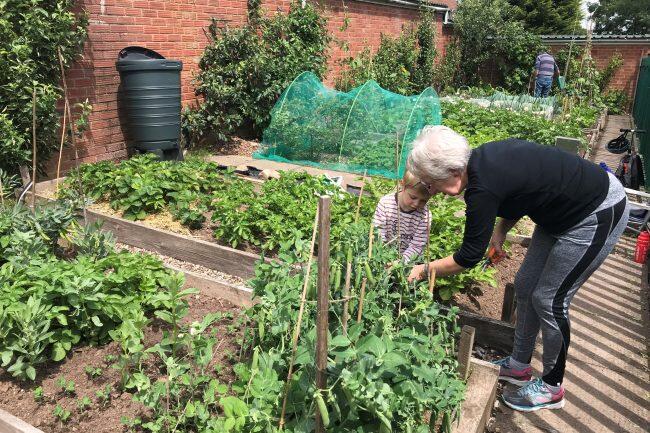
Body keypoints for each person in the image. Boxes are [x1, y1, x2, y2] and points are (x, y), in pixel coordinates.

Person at [406, 125, 629, 412]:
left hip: (596, 212)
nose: (430, 189)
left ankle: (552, 387)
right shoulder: (484, 159)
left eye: (430, 182)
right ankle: (519, 365)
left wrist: (423, 270)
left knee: (550, 300)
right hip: (559, 213)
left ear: (450, 172)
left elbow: (469, 256)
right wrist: (500, 232)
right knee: (525, 285)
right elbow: (520, 192)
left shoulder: (481, 187)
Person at [373, 170, 432, 263]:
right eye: (413, 197)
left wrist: (400, 263)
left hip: (409, 261)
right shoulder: (385, 204)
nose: (416, 204)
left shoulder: (425, 215)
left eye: (423, 201)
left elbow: (417, 246)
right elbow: (378, 234)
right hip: (383, 256)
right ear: (402, 185)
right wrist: (382, 257)